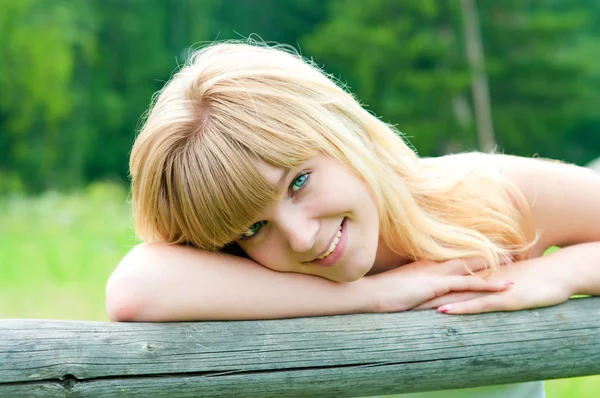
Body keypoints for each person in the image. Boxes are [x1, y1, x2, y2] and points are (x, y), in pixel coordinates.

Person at [105, 41, 600, 397]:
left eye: (298, 182)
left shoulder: (485, 196)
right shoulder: (246, 274)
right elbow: (134, 288)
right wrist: (376, 294)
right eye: (252, 228)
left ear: (341, 132)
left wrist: (559, 273)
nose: (300, 238)